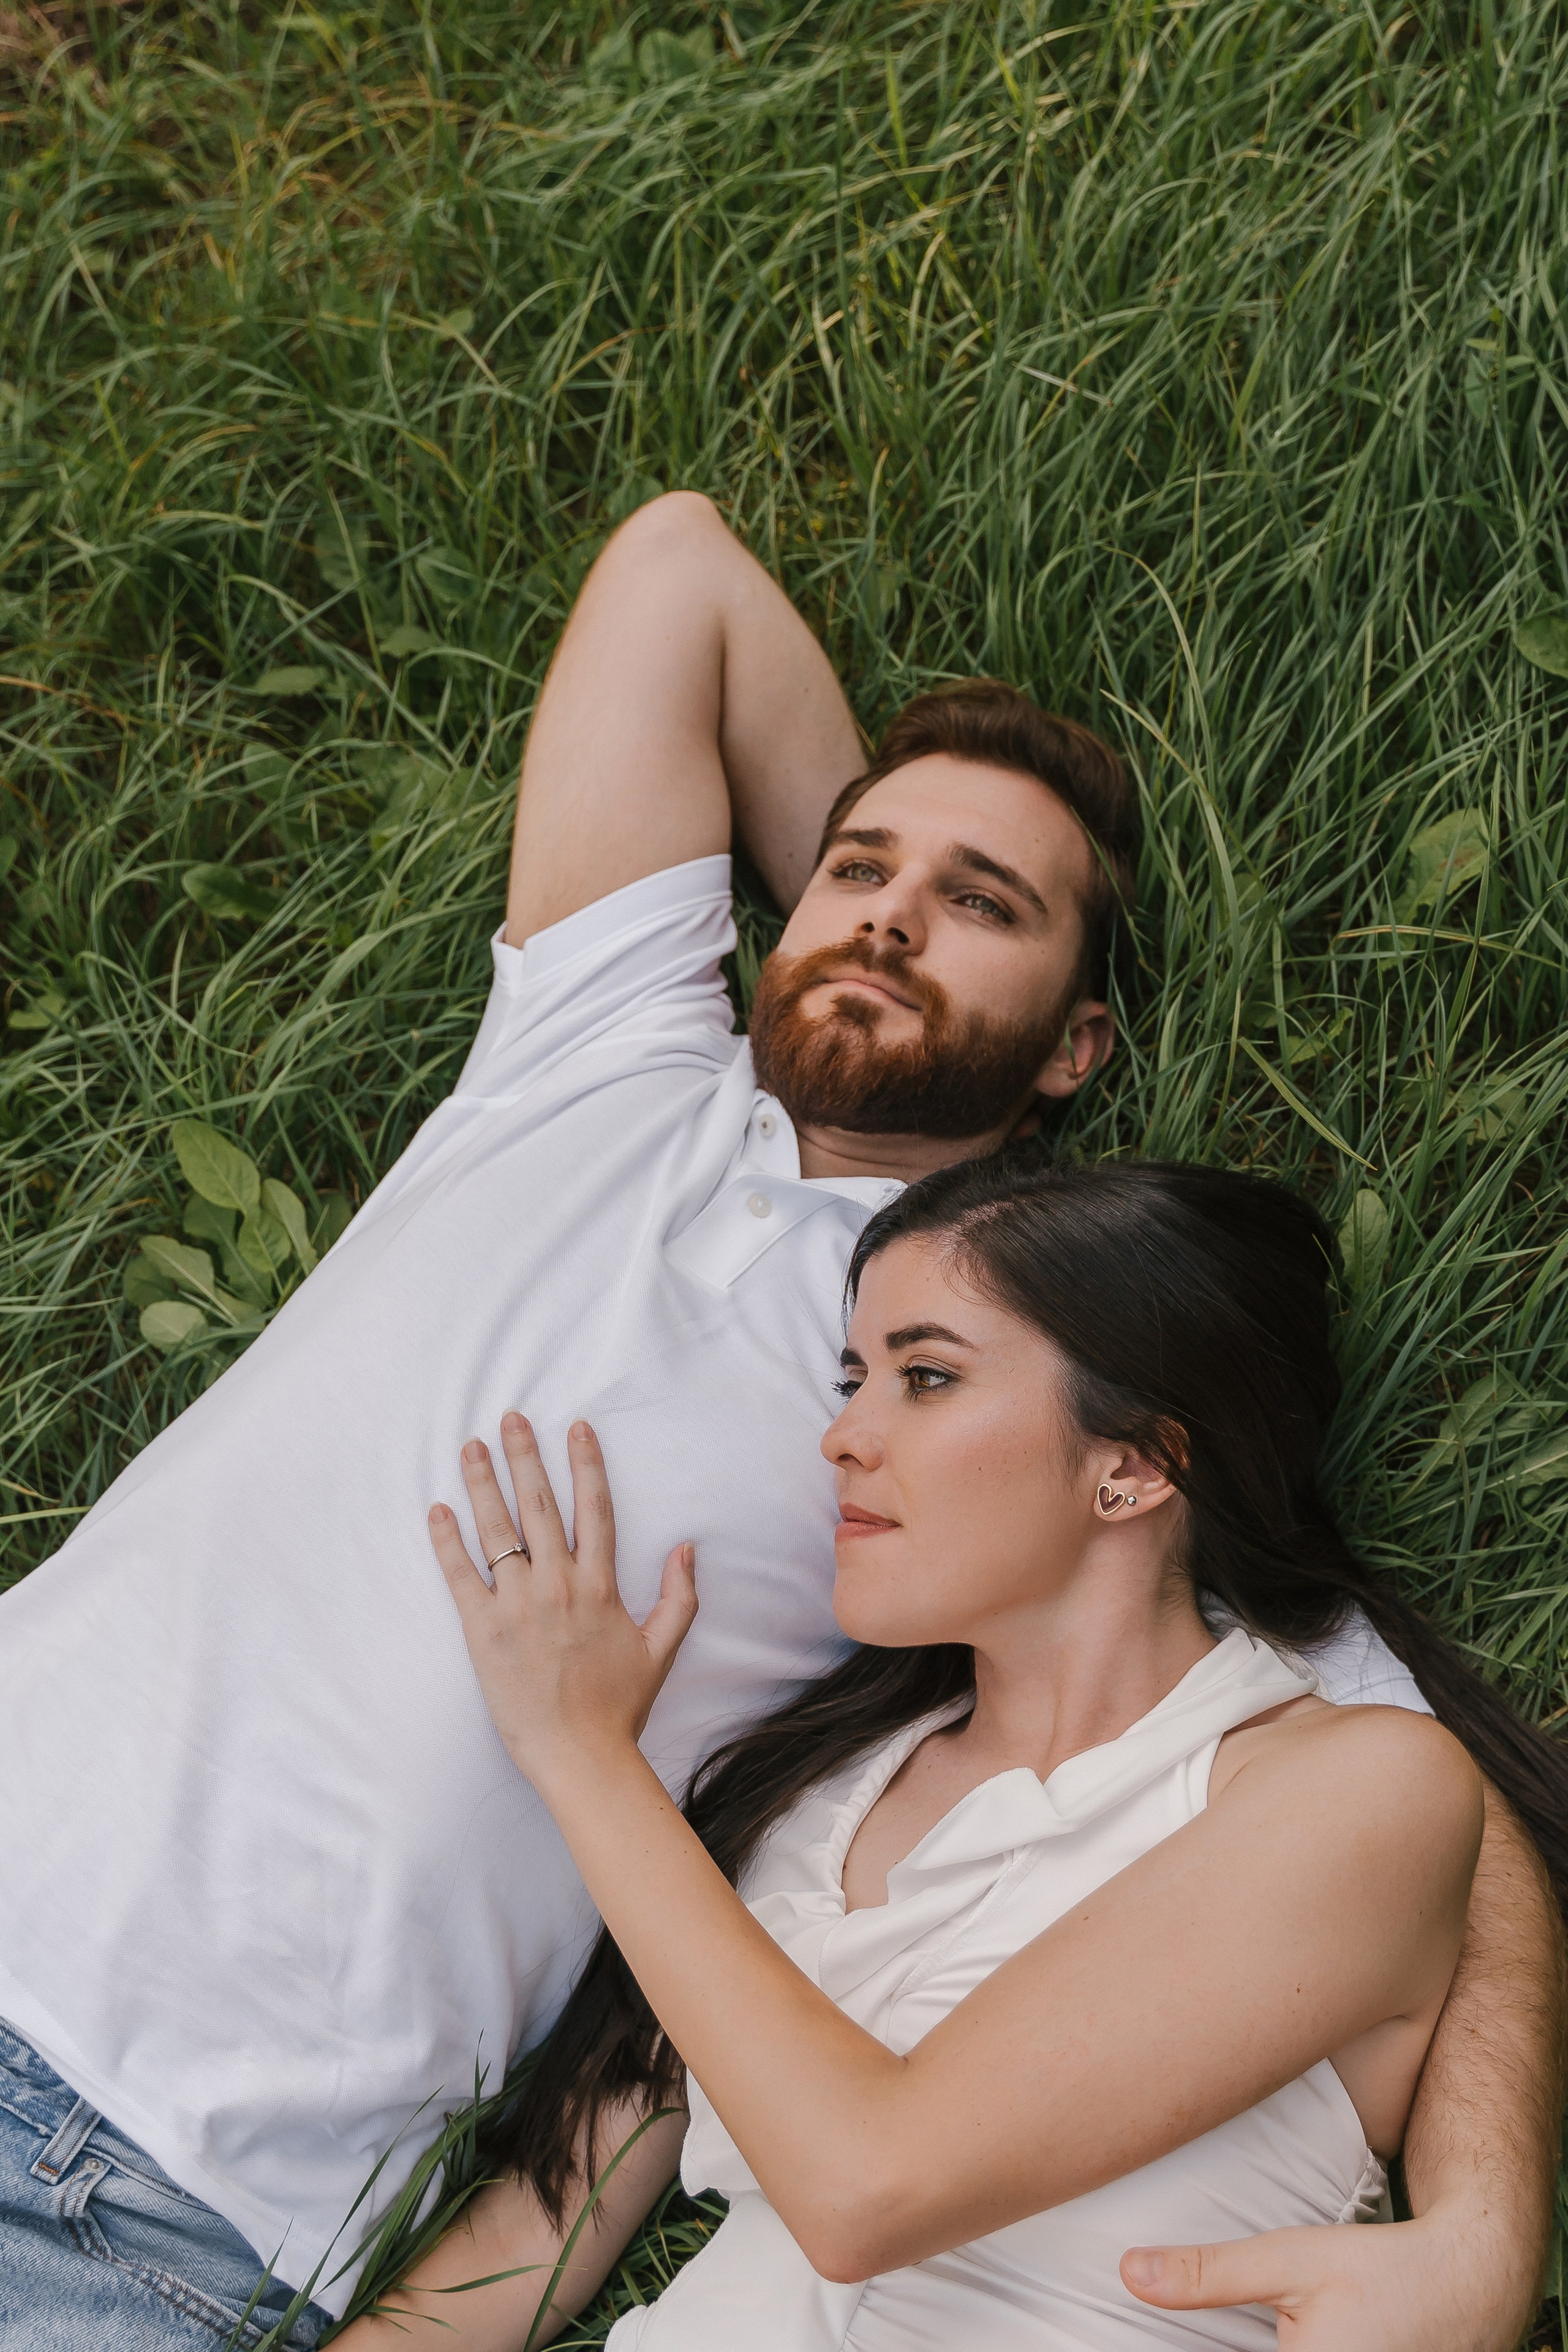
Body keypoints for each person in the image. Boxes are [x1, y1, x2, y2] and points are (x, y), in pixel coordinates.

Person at [0, 494, 1559, 2352]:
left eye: (983, 907)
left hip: (157, 2189)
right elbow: (679, 571)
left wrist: (1480, 2227)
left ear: (1076, 1052)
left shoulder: (1000, 1364)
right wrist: (905, 887)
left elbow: (1442, 1799)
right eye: (856, 868)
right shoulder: (594, 1058)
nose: (892, 910)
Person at [380, 1156, 1507, 2349]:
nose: (842, 1435)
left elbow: (866, 2186)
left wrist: (583, 1755)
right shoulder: (801, 1806)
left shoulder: (1355, 1791)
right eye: (852, 1377)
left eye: (926, 1377)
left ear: (1131, 1465)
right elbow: (516, 2249)